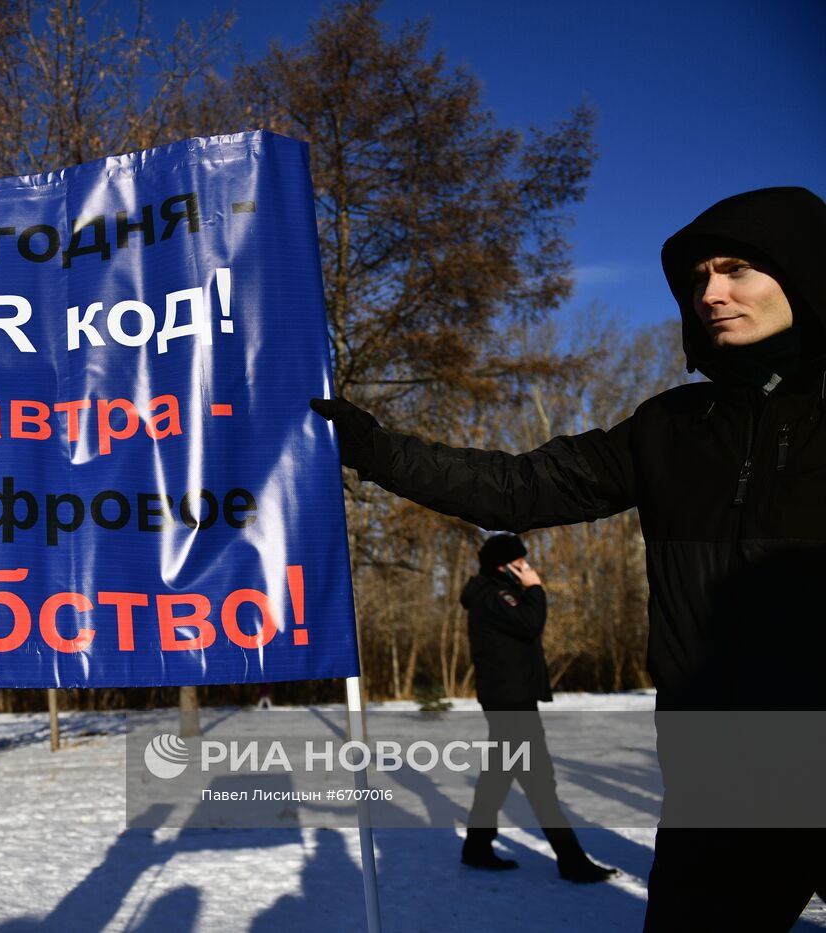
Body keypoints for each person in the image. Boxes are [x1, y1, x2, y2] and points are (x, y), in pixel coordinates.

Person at [311, 186, 826, 929]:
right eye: (698, 277)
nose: (711, 292)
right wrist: (372, 448)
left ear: (803, 271)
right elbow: (515, 488)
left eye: (736, 269)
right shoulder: (670, 429)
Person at [458, 533, 615, 882]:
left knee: (497, 778)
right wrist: (536, 588)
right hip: (510, 703)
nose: (527, 568)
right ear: (504, 566)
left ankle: (477, 846)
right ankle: (572, 861)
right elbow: (531, 625)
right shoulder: (496, 595)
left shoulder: (493, 594)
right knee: (540, 781)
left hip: (508, 699)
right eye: (521, 563)